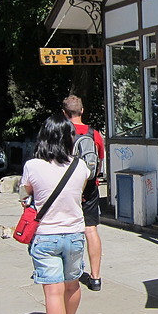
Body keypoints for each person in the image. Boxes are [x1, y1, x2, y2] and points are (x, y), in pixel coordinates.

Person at [20, 114, 89, 314]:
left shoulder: (32, 166)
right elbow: (78, 192)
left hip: (45, 236)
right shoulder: (80, 166)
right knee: (72, 284)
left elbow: (25, 193)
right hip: (74, 234)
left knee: (52, 293)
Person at [62, 95, 105, 291]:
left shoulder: (60, 134)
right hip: (89, 187)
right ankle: (95, 277)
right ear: (82, 111)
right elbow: (100, 160)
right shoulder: (94, 134)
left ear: (64, 113)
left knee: (66, 229)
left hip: (65, 188)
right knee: (91, 229)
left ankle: (69, 273)